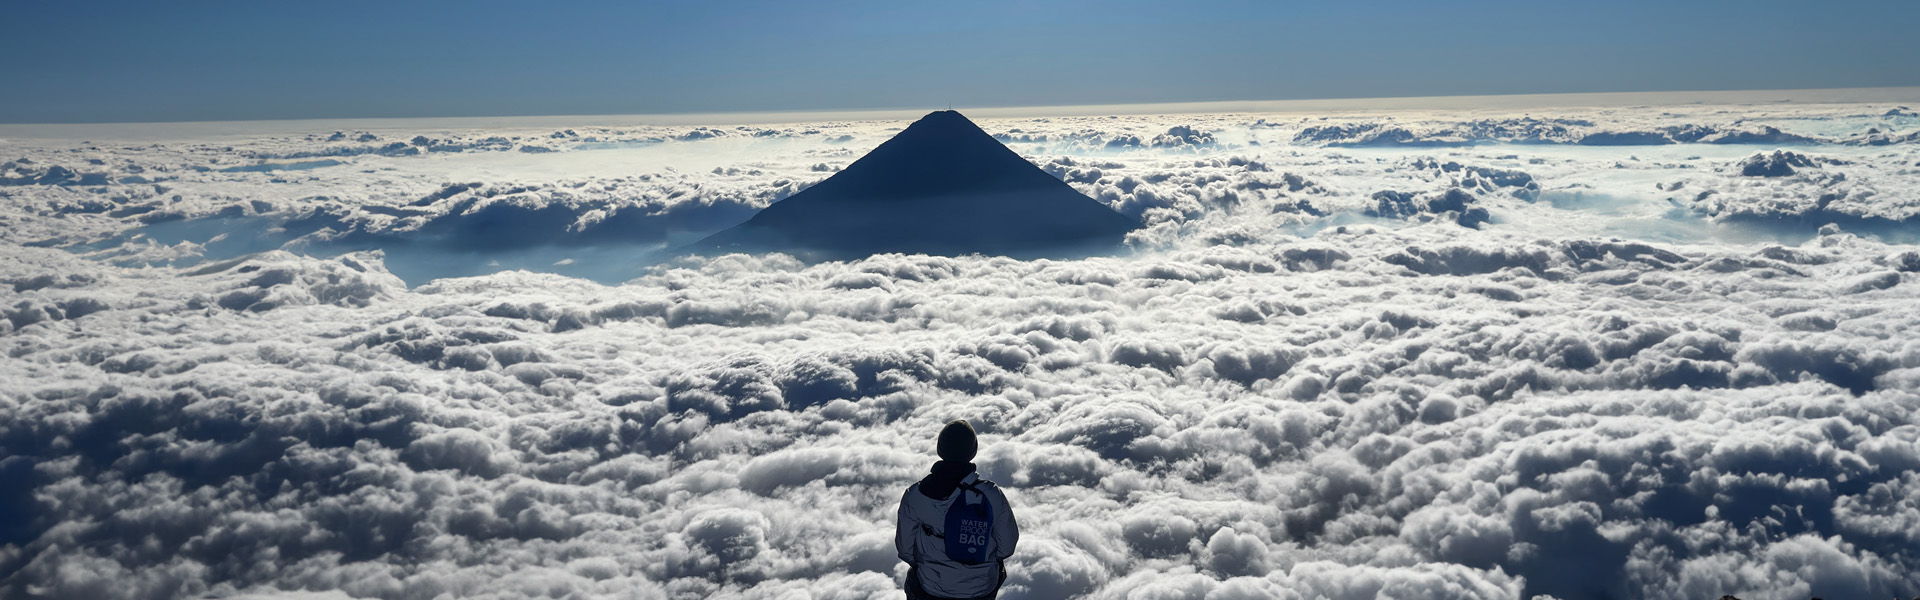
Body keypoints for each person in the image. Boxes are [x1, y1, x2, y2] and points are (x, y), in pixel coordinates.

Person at [896, 420, 1019, 600]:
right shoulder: (991, 495)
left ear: (940, 449)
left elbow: (905, 550)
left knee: (914, 579)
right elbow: (1007, 547)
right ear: (972, 451)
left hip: (931, 587)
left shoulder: (914, 496)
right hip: (981, 588)